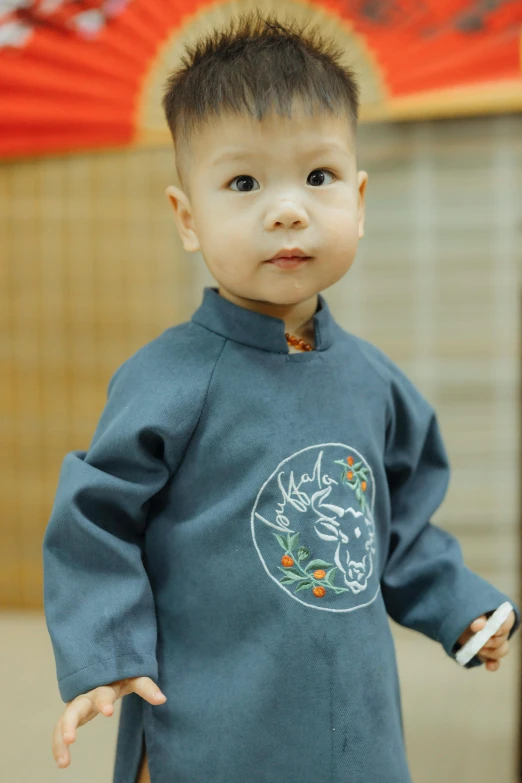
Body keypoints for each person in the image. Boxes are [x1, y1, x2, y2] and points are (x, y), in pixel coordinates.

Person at [43, 10, 520, 783]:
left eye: (319, 177)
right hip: (212, 719)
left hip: (354, 722)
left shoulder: (374, 381)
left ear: (359, 202)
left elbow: (397, 525)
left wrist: (458, 602)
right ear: (187, 217)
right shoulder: (168, 380)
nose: (288, 208)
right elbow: (94, 519)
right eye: (244, 182)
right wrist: (105, 653)